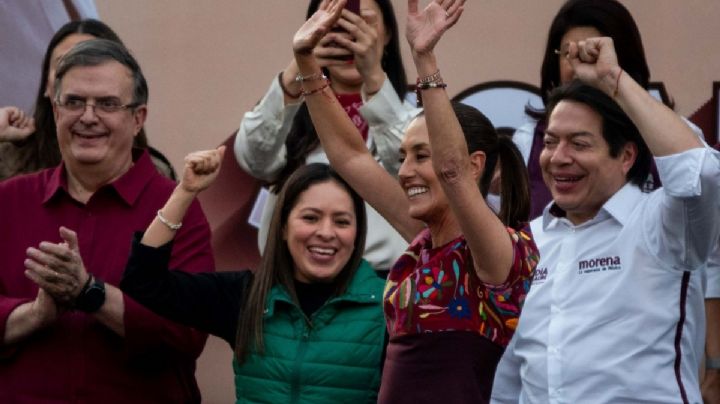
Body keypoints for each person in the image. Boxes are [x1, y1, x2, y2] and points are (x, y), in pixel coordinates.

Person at [291, 0, 538, 401]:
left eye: (421, 156)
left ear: (475, 165)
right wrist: (305, 61)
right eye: (404, 156)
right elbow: (350, 156)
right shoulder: (424, 241)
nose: (405, 172)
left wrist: (424, 58)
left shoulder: (500, 254)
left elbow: (452, 171)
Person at [490, 35, 720, 403]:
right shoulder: (527, 242)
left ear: (627, 156)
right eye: (550, 142)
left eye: (579, 144)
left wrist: (614, 79)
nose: (559, 158)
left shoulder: (663, 224)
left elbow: (701, 171)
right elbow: (508, 377)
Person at [0, 39, 214, 403]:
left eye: (107, 104)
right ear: (54, 111)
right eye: (74, 102)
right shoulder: (10, 199)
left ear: (138, 119)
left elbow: (187, 333)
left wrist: (91, 294)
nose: (87, 116)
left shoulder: (176, 207)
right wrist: (33, 315)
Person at [120, 150, 387, 403]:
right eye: (310, 218)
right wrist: (186, 191)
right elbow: (143, 281)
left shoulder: (389, 305)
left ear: (357, 233)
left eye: (341, 222)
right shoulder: (248, 296)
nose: (326, 232)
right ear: (282, 227)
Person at [235, 0, 419, 274]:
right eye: (334, 23)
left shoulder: (412, 119)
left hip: (384, 283)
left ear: (388, 33)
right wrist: (301, 64)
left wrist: (375, 78)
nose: (347, 35)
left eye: (362, 22)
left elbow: (407, 163)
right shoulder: (290, 112)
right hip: (297, 279)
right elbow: (255, 160)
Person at [514, 0, 656, 220]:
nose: (580, 66)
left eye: (592, 52)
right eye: (567, 53)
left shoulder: (672, 140)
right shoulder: (528, 140)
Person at [0, 19, 174, 181]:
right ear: (47, 84)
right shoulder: (10, 161)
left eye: (93, 62)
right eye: (65, 64)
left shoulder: (154, 172)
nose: (88, 117)